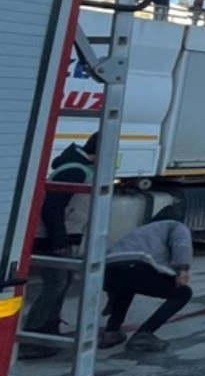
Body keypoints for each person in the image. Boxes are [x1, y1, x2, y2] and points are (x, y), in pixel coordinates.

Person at [18, 134, 98, 359]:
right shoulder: (75, 170)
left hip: (58, 237)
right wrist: (59, 242)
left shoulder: (77, 168)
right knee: (56, 284)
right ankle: (33, 336)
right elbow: (52, 208)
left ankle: (48, 332)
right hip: (51, 239)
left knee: (62, 283)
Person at [100, 218, 193, 353]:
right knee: (183, 294)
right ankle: (144, 334)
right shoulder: (177, 225)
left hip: (107, 271)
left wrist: (111, 298)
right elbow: (181, 244)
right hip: (135, 267)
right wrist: (183, 270)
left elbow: (119, 262)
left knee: (126, 287)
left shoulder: (143, 231)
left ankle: (112, 332)